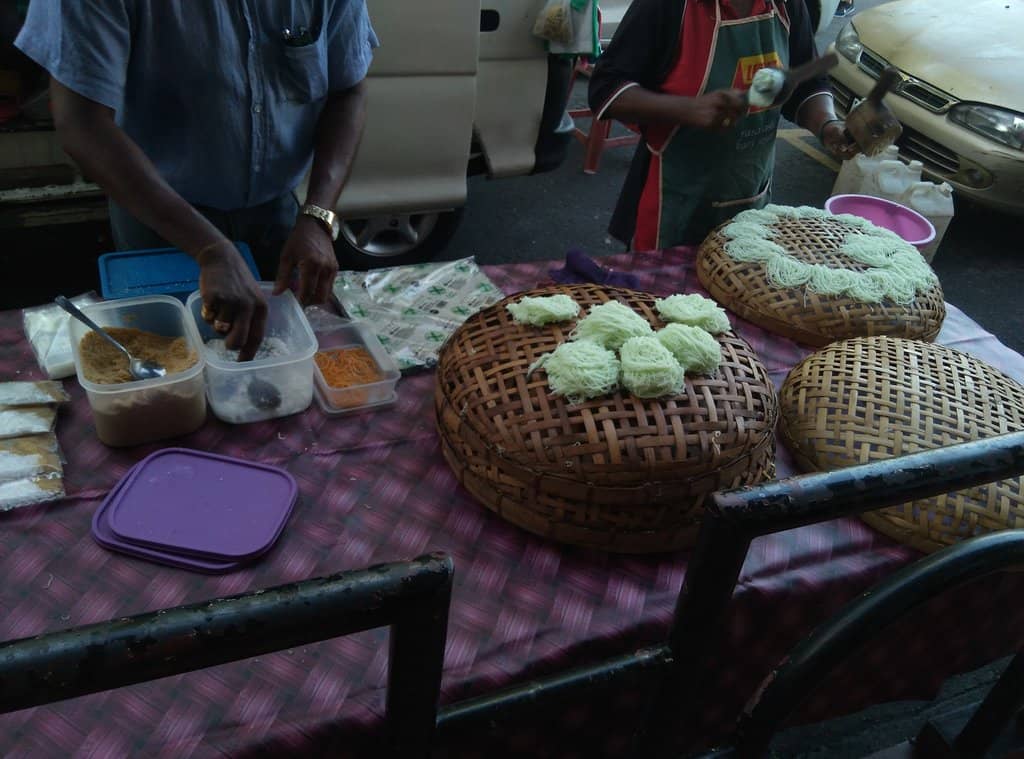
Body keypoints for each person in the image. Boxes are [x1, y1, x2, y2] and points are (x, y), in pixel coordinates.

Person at [15, 2, 378, 359]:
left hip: (277, 215)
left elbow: (347, 90)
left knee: (278, 356)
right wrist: (210, 250)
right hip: (160, 220)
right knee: (167, 361)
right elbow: (81, 124)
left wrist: (317, 216)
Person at [588, 0, 857, 251]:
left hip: (750, 205)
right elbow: (606, 89)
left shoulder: (787, 5)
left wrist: (828, 125)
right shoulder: (668, 7)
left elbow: (808, 85)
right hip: (671, 205)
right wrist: (688, 109)